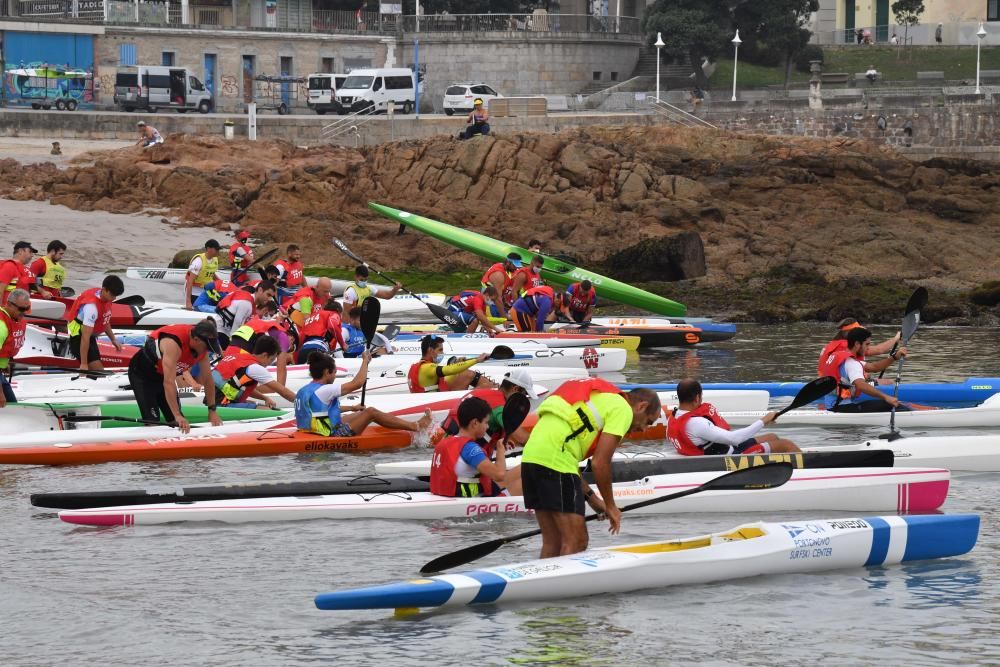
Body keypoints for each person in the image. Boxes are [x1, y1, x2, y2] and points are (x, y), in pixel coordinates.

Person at [519, 379, 662, 557]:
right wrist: (611, 506)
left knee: (553, 541)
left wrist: (593, 499)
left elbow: (567, 462)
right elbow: (599, 463)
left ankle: (542, 585)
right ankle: (566, 584)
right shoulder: (623, 409)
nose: (643, 429)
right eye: (648, 422)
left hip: (531, 460)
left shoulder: (601, 398)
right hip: (555, 464)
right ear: (641, 406)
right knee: (577, 541)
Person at [440, 368, 537, 495]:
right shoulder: (500, 408)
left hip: (448, 455)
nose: (525, 399)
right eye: (524, 395)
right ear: (515, 389)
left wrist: (502, 443)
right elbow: (522, 438)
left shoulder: (485, 394)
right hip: (465, 464)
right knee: (532, 467)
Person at [295, 350, 432, 437]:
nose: (335, 376)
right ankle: (415, 426)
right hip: (331, 436)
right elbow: (358, 383)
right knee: (371, 412)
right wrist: (365, 361)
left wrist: (352, 408)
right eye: (335, 372)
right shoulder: (325, 389)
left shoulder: (304, 390)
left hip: (309, 432)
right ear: (326, 372)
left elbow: (320, 410)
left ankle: (409, 425)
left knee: (359, 413)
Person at [127, 318, 224, 433]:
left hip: (162, 377)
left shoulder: (202, 349)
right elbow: (169, 382)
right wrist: (177, 414)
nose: (206, 351)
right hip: (143, 376)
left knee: (176, 422)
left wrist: (212, 410)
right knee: (153, 422)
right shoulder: (173, 344)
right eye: (206, 347)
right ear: (196, 339)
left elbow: (208, 379)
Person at [667, 378, 800, 456]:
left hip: (723, 449)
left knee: (773, 437)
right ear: (697, 398)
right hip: (729, 458)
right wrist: (763, 421)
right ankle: (810, 471)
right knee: (787, 445)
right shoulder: (696, 423)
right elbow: (734, 439)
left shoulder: (673, 418)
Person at [430, 397, 509, 498]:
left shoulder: (444, 442)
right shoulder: (470, 448)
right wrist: (500, 450)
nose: (488, 427)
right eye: (486, 422)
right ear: (475, 423)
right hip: (468, 500)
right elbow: (499, 475)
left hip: (443, 494)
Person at [820, 326, 910, 413]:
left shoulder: (840, 356)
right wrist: (886, 397)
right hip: (841, 408)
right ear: (857, 344)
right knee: (893, 405)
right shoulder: (851, 363)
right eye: (867, 344)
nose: (868, 348)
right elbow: (861, 385)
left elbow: (875, 367)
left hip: (832, 405)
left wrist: (894, 357)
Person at [213, 335, 297, 410]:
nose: (269, 364)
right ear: (264, 355)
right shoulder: (255, 368)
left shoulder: (238, 357)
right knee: (267, 410)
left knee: (254, 403)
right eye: (271, 359)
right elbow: (282, 391)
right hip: (222, 406)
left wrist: (264, 398)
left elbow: (240, 388)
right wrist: (302, 401)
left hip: (212, 402)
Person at [66, 275, 126, 372]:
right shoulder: (91, 307)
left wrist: (113, 339)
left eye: (116, 296)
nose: (114, 298)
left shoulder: (105, 297)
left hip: (90, 337)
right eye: (112, 295)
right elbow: (85, 338)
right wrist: (84, 364)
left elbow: (105, 320)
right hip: (79, 337)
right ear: (104, 289)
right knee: (99, 372)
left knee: (97, 368)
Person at [816, 318, 903, 380]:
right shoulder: (847, 346)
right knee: (888, 382)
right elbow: (879, 351)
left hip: (826, 383)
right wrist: (895, 339)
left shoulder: (833, 344)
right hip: (837, 387)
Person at [407, 335, 495, 393]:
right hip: (432, 405)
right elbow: (449, 370)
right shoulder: (427, 368)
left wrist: (459, 364)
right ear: (430, 350)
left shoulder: (422, 366)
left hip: (431, 400)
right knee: (484, 385)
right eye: (440, 350)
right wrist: (476, 360)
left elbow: (448, 375)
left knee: (465, 374)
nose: (442, 353)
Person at [0, 289, 30, 407]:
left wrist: (5, 363)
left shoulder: (14, 320)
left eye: (26, 309)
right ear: (9, 304)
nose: (24, 313)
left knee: (13, 405)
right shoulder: (2, 325)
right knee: (8, 405)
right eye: (21, 309)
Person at [296, 298, 348, 363]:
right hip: (319, 350)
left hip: (303, 351)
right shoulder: (333, 314)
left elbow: (301, 337)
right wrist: (342, 344)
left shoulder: (312, 317)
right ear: (338, 311)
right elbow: (332, 325)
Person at [184, 239, 221, 310]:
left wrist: (222, 283)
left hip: (208, 289)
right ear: (208, 249)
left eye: (218, 249)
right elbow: (190, 281)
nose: (217, 251)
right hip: (195, 289)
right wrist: (188, 302)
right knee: (197, 307)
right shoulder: (198, 261)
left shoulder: (215, 259)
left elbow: (212, 274)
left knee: (219, 303)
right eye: (216, 249)